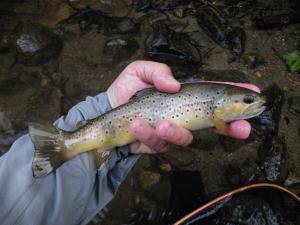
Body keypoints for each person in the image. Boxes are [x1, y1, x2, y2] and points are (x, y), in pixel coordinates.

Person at [0, 61, 259, 225]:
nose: (254, 104)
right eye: (248, 101)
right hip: (119, 125)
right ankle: (67, 144)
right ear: (223, 104)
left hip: (118, 126)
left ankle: (69, 143)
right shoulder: (219, 113)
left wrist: (106, 105)